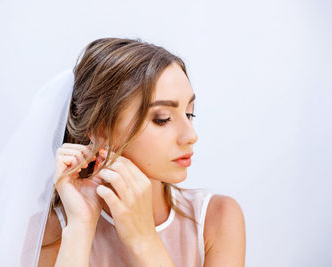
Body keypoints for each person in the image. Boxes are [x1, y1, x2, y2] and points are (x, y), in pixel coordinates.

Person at [38, 38, 246, 267]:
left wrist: (144, 240)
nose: (191, 135)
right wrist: (80, 226)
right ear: (101, 130)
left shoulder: (217, 218)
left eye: (189, 114)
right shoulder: (47, 233)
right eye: (162, 119)